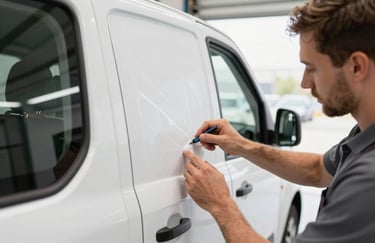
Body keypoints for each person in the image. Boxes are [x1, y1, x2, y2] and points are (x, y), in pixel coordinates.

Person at [183, 0, 375, 242]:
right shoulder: (363, 137)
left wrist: (221, 205)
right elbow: (317, 170)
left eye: (311, 68)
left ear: (356, 66)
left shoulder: (369, 181)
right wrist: (241, 145)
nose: (305, 83)